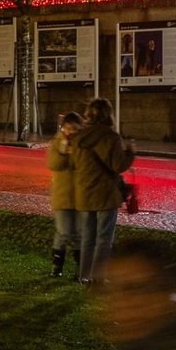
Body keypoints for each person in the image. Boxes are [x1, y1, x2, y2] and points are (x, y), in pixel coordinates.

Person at [70, 98, 134, 284]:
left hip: (84, 192)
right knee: (104, 239)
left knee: (87, 238)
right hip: (105, 194)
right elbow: (119, 165)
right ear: (108, 114)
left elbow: (74, 165)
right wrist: (130, 153)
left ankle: (84, 276)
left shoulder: (78, 138)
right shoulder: (110, 136)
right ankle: (97, 278)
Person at [45, 111, 83, 278]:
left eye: (75, 129)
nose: (71, 132)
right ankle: (57, 266)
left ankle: (79, 269)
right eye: (68, 128)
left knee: (79, 234)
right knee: (63, 232)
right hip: (62, 195)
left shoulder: (83, 145)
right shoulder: (57, 141)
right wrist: (63, 149)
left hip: (81, 195)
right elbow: (54, 164)